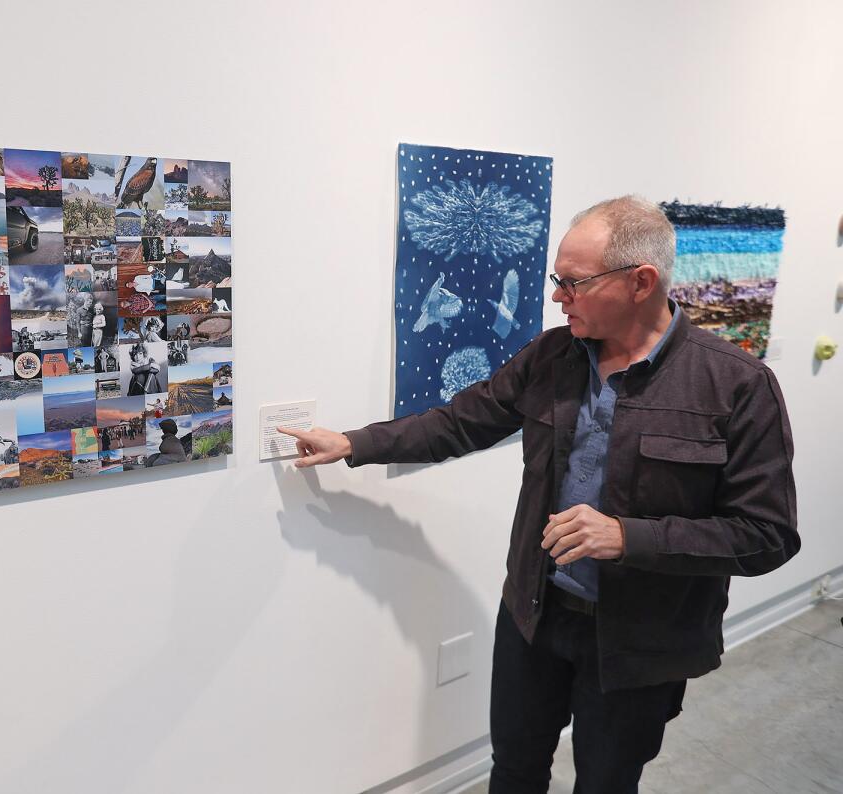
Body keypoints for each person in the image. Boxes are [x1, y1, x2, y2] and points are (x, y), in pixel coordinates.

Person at [279, 196, 799, 793]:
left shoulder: (737, 385)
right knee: (515, 771)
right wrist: (352, 442)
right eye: (558, 281)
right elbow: (460, 422)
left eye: (573, 284)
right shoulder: (553, 355)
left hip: (640, 642)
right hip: (534, 616)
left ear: (641, 282)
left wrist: (629, 536)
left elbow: (766, 535)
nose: (557, 297)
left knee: (606, 782)